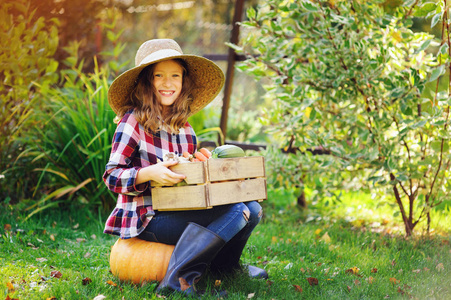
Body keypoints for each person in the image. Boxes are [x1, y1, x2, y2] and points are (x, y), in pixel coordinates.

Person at [103, 39, 267, 296]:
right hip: (147, 217)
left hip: (177, 208)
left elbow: (185, 178)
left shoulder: (185, 129)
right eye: (159, 75)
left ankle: (226, 267)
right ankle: (178, 280)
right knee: (236, 211)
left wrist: (199, 165)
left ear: (183, 81)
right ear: (147, 81)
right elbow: (112, 176)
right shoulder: (133, 121)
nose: (168, 83)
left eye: (175, 76)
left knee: (253, 209)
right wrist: (149, 173)